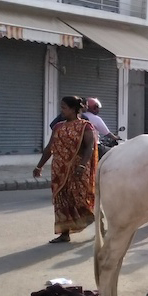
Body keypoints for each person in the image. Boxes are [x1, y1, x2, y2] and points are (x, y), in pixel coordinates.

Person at [34, 96, 98, 244]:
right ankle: (64, 233)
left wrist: (82, 165)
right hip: (59, 170)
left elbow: (90, 147)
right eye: (61, 107)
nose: (61, 110)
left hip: (78, 169)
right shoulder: (58, 127)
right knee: (62, 201)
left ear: (73, 109)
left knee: (80, 200)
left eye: (64, 108)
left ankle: (94, 219)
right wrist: (39, 166)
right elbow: (50, 148)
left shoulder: (85, 127)